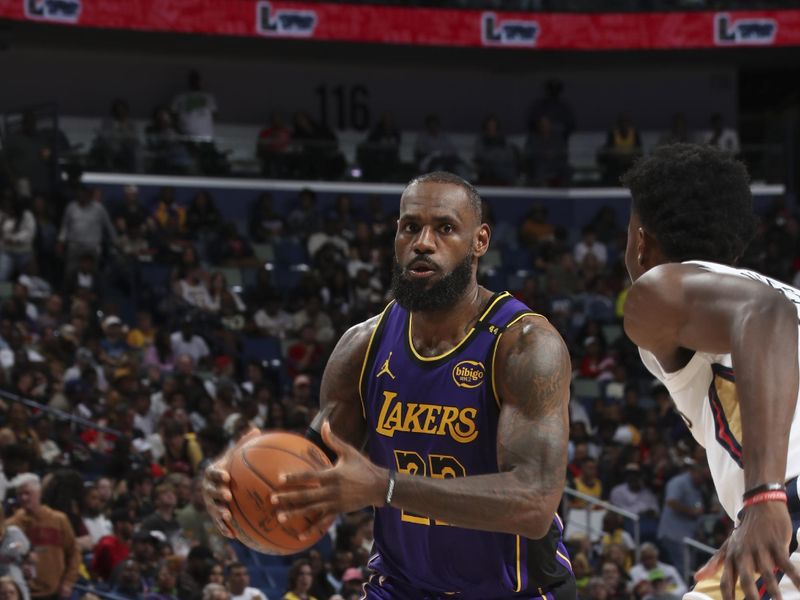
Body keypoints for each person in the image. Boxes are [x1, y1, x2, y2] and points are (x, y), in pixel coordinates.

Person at [205, 171, 575, 599]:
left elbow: (534, 503)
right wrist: (235, 484)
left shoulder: (524, 344)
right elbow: (310, 477)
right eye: (410, 227)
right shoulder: (363, 346)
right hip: (400, 589)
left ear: (480, 241)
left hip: (515, 592)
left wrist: (386, 486)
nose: (423, 242)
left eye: (445, 228)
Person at [620, 143, 800, 600]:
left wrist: (764, 496)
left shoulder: (657, 289)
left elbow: (765, 312)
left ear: (641, 241)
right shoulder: (782, 295)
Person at [6, 473, 80, 600]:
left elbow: (73, 553)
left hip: (56, 592)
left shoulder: (59, 520)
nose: (23, 498)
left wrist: (68, 582)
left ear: (39, 493)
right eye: (20, 494)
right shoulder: (11, 525)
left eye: (28, 493)